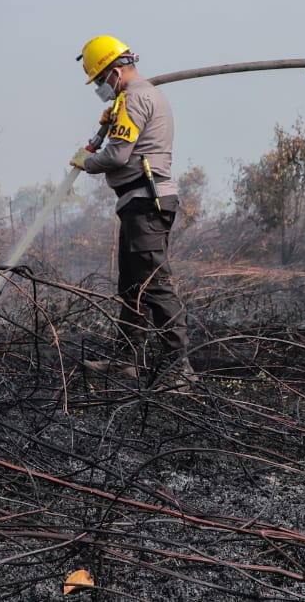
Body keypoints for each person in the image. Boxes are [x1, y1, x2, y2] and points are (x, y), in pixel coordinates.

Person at [71, 35, 193, 385]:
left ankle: (178, 367)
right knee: (132, 286)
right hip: (138, 202)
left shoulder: (135, 98)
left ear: (113, 71)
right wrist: (111, 124)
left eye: (99, 79)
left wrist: (86, 162)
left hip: (146, 202)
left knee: (155, 286)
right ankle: (128, 359)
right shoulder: (134, 98)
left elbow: (118, 156)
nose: (99, 87)